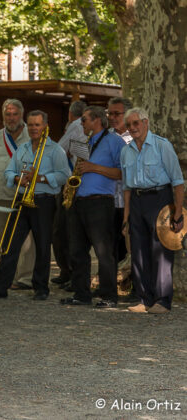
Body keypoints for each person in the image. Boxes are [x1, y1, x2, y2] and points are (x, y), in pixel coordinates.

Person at [0, 110, 70, 301]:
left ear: (45, 126)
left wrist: (42, 178)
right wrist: (17, 179)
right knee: (10, 244)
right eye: (30, 125)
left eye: (37, 125)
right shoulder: (22, 149)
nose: (34, 128)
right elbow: (9, 171)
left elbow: (65, 175)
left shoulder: (55, 150)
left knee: (43, 246)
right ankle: (0, 287)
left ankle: (41, 288)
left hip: (44, 201)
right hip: (22, 200)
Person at [60, 106, 126, 308]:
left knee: (103, 251)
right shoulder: (86, 141)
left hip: (100, 201)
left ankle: (109, 296)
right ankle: (81, 293)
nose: (81, 124)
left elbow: (122, 173)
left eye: (85, 120)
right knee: (77, 250)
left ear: (97, 120)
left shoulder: (115, 141)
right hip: (79, 200)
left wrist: (93, 167)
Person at [121, 108, 184, 314]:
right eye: (129, 125)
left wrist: (178, 214)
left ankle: (163, 301)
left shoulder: (161, 145)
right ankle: (144, 299)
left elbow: (177, 182)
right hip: (137, 202)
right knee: (138, 251)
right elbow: (126, 188)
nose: (132, 128)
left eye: (136, 123)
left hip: (160, 199)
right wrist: (126, 217)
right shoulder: (126, 150)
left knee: (161, 251)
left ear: (145, 122)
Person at [0, 99, 35, 290]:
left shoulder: (31, 135)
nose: (11, 118)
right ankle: (7, 275)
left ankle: (25, 278)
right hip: (0, 192)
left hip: (22, 194)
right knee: (3, 238)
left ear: (22, 115)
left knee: (26, 240)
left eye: (14, 114)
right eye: (7, 114)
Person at [53, 100, 87, 290]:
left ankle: (69, 272)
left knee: (63, 232)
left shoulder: (75, 125)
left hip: (74, 186)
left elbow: (59, 149)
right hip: (83, 186)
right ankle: (71, 274)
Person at [107, 97, 134, 283]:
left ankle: (129, 285)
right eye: (110, 113)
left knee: (129, 249)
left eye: (117, 113)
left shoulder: (135, 138)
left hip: (128, 203)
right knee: (109, 248)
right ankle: (109, 284)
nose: (113, 117)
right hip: (108, 200)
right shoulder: (105, 136)